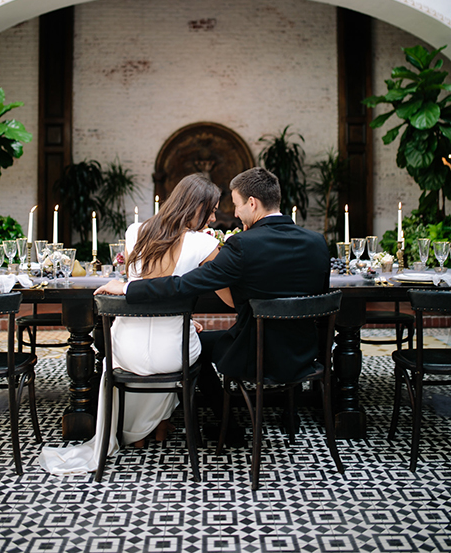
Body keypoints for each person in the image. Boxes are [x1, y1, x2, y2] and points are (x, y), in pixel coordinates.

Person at [95, 167, 330, 427]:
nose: (235, 214)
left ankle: (227, 424)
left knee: (196, 345)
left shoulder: (243, 245)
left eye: (237, 205)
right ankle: (290, 411)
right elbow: (316, 298)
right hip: (306, 354)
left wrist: (129, 287)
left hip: (256, 353)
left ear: (252, 203)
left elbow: (182, 285)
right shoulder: (317, 242)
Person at [39, 174, 226, 474]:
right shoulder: (204, 243)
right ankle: (159, 425)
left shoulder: (135, 232)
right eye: (212, 210)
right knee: (181, 349)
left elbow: (141, 285)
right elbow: (228, 296)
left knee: (159, 346)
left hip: (125, 352)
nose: (215, 218)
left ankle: (138, 432)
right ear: (197, 209)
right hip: (173, 352)